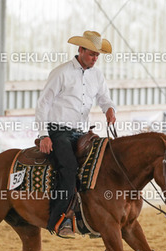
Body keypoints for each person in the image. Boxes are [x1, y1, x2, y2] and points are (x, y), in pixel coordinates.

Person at [35, 31, 117, 238]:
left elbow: (104, 98)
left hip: (82, 133)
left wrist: (109, 109)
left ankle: (93, 218)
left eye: (97, 55)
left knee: (100, 165)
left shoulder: (97, 75)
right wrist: (43, 134)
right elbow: (43, 103)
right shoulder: (61, 72)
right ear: (80, 50)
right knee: (69, 168)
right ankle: (59, 220)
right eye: (91, 54)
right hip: (58, 131)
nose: (95, 58)